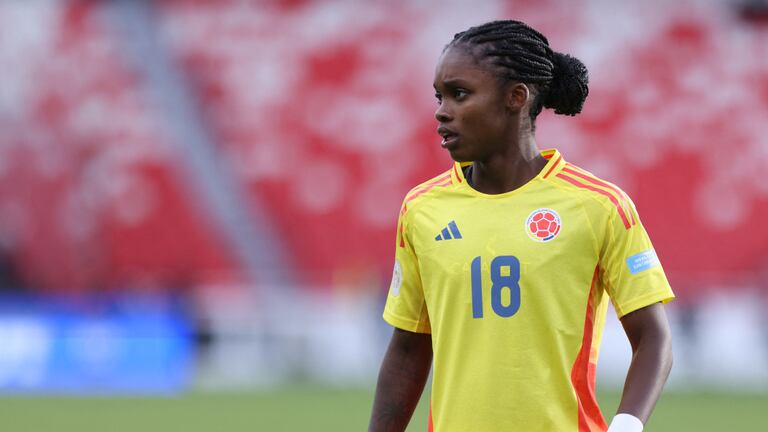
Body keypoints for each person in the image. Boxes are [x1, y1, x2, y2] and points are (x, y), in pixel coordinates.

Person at [368, 20, 674, 432]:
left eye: (459, 94)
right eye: (439, 96)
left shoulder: (599, 205)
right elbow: (407, 349)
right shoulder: (422, 209)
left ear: (515, 98)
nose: (442, 111)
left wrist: (626, 425)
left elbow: (653, 338)